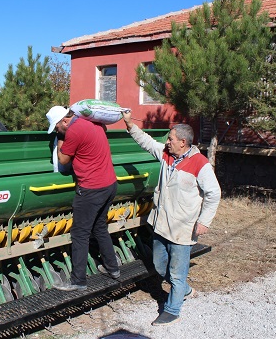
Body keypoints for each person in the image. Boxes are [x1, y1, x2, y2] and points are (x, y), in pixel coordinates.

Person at [121, 111, 221, 326]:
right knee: (159, 265)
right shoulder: (167, 155)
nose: (167, 142)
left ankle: (172, 309)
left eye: (171, 139)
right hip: (161, 224)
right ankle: (185, 290)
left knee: (176, 273)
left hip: (182, 228)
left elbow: (214, 193)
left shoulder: (200, 164)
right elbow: (146, 142)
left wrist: (204, 221)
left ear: (183, 142)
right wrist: (129, 123)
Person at [46, 105, 120, 291]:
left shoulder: (74, 131)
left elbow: (63, 160)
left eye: (56, 127)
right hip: (110, 184)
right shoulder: (92, 123)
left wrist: (61, 137)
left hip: (91, 189)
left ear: (64, 120)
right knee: (99, 226)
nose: (56, 130)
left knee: (80, 234)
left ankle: (78, 281)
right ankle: (113, 268)